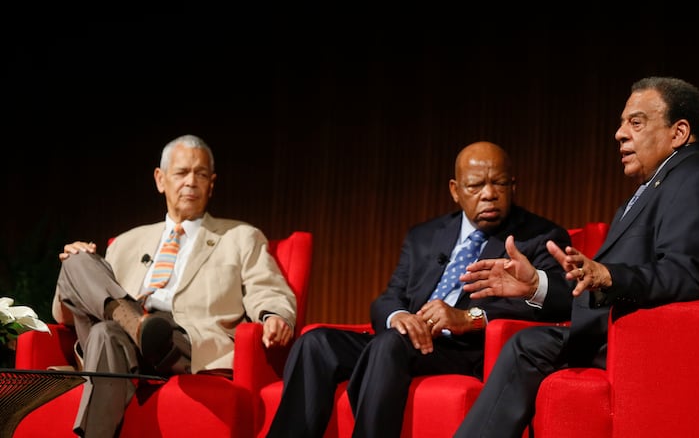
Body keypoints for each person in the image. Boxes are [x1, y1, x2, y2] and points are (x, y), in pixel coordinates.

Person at [453, 77, 699, 437]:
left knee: (527, 347)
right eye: (622, 122)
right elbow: (596, 287)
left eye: (636, 122)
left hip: (668, 344)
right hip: (626, 333)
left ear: (679, 132)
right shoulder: (649, 190)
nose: (619, 134)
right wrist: (537, 284)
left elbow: (691, 277)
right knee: (528, 344)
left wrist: (609, 276)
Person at [266, 141, 574, 438]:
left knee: (389, 344)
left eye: (500, 184)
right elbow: (388, 297)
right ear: (455, 190)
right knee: (315, 342)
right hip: (404, 339)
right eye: (475, 186)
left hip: (466, 349)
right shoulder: (425, 236)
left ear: (513, 186)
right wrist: (399, 316)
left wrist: (468, 317)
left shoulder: (539, 236)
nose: (489, 195)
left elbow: (558, 300)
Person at [52, 134, 297, 437]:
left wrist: (275, 316)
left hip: (180, 340)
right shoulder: (126, 242)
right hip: (124, 336)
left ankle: (140, 327)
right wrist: (79, 267)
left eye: (201, 174)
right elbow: (64, 316)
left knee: (108, 331)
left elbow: (268, 288)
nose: (191, 181)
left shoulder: (241, 237)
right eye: (182, 173)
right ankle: (134, 322)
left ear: (212, 184)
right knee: (76, 259)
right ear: (160, 179)